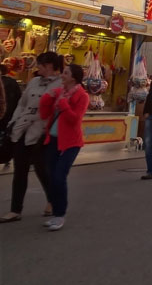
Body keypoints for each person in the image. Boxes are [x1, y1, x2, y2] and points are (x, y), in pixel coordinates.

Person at [0, 52, 62, 223]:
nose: (38, 68)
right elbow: (22, 103)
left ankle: (53, 200)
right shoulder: (34, 81)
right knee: (20, 170)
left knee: (43, 170)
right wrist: (14, 122)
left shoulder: (61, 84)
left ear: (49, 66)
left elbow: (57, 111)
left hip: (41, 132)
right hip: (22, 129)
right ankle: (15, 210)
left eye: (41, 64)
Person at [38, 63, 88, 231]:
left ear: (73, 77)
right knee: (51, 177)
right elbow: (45, 114)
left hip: (71, 143)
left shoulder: (82, 96)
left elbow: (75, 119)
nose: (62, 75)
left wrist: (65, 105)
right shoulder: (59, 92)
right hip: (52, 140)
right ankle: (55, 213)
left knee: (59, 176)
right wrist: (46, 99)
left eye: (65, 73)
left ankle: (59, 214)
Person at [0, 62, 22, 167]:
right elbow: (19, 98)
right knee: (6, 136)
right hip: (10, 114)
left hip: (2, 113)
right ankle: (6, 157)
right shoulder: (13, 82)